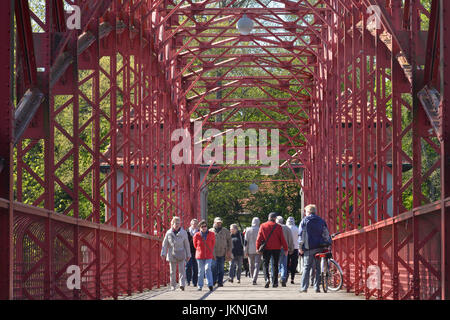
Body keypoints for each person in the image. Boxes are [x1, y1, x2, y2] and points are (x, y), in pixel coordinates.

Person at [298, 204, 331, 293]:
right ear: (315, 211)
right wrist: (327, 244)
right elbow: (326, 233)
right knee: (318, 268)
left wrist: (300, 247)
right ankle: (317, 287)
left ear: (307, 212)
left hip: (308, 248)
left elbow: (301, 235)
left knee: (306, 268)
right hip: (319, 247)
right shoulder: (321, 221)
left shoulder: (304, 221)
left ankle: (304, 288)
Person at [256, 212, 288, 288]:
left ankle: (267, 279)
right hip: (276, 248)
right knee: (275, 265)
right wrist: (286, 248)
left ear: (268, 218)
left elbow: (259, 238)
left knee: (265, 264)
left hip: (266, 248)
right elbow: (282, 239)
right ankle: (275, 282)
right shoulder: (278, 227)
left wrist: (257, 248)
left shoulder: (263, 226)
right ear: (275, 218)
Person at [160, 216, 191, 291]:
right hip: (172, 253)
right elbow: (165, 244)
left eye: (178, 223)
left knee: (182, 270)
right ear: (172, 224)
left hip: (181, 253)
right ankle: (173, 285)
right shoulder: (169, 232)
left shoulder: (183, 233)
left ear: (180, 224)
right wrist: (163, 253)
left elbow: (187, 244)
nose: (176, 225)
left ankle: (182, 285)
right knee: (172, 271)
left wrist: (188, 254)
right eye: (175, 223)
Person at [193, 220, 215, 291]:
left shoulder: (211, 234)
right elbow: (195, 245)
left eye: (205, 226)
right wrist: (200, 250)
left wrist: (209, 250)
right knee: (200, 271)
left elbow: (213, 243)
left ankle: (210, 284)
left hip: (208, 255)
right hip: (200, 255)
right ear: (199, 228)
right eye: (202, 227)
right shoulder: (197, 235)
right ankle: (200, 285)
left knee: (208, 268)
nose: (204, 228)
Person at [210, 217, 232, 287]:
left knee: (221, 268)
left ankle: (220, 282)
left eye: (220, 223)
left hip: (223, 252)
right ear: (214, 223)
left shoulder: (225, 231)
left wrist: (229, 250)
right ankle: (213, 281)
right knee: (214, 268)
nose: (219, 224)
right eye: (217, 223)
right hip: (213, 253)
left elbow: (229, 241)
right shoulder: (210, 231)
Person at [276, 216, 294, 287]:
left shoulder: (274, 227)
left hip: (276, 248)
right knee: (284, 264)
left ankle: (278, 275)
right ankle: (283, 278)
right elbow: (290, 239)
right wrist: (291, 248)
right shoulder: (287, 228)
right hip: (284, 248)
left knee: (276, 263)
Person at [244, 217, 261, 285]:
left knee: (251, 265)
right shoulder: (260, 229)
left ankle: (252, 277)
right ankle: (254, 278)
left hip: (250, 250)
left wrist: (245, 251)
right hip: (258, 250)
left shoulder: (248, 230)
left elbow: (246, 242)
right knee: (257, 264)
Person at [286, 216, 300, 284]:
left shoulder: (286, 228)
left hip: (287, 248)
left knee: (286, 263)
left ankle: (285, 276)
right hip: (296, 248)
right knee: (294, 264)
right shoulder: (296, 228)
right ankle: (292, 278)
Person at [185, 219, 199, 287]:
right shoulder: (186, 232)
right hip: (188, 251)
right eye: (193, 223)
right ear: (191, 224)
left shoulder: (199, 232)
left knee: (195, 268)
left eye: (196, 224)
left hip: (196, 252)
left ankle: (195, 282)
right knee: (188, 267)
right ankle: (188, 281)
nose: (195, 225)